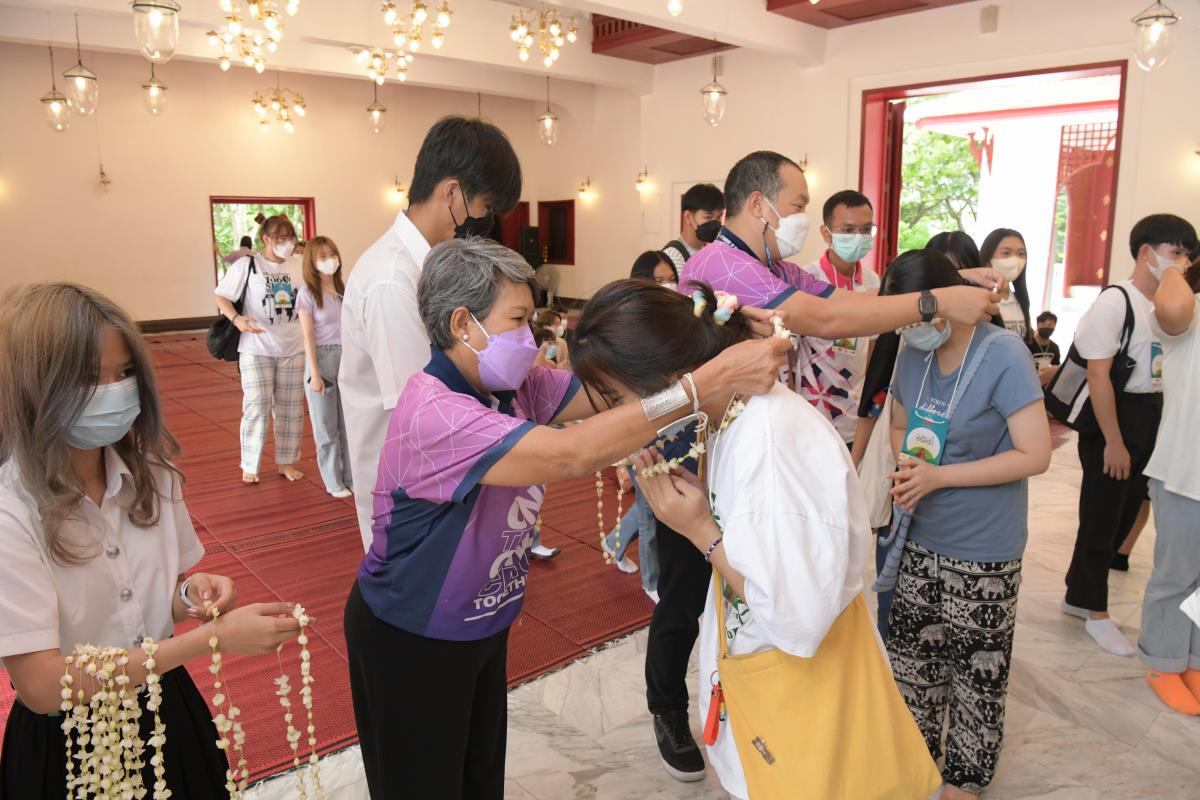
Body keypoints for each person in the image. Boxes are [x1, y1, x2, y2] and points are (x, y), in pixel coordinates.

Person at [343, 238, 788, 800]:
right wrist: (704, 385)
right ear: (461, 323)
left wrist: (710, 333)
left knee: (478, 781)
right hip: (411, 634)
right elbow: (574, 453)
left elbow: (609, 391)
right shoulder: (435, 412)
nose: (531, 340)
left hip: (478, 624)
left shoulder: (513, 388)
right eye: (517, 321)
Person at [656, 150, 1003, 781]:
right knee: (690, 585)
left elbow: (851, 299)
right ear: (758, 204)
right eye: (796, 206)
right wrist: (937, 302)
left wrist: (948, 281)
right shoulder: (720, 263)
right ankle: (671, 710)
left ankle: (743, 700)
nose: (801, 218)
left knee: (741, 580)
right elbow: (825, 317)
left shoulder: (771, 264)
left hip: (745, 426)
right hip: (701, 438)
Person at [571, 279, 942, 800]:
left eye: (618, 399)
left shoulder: (767, 444)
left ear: (670, 378)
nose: (619, 417)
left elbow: (797, 617)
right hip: (765, 682)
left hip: (798, 701)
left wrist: (700, 531)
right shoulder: (735, 416)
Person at [0, 283, 302, 799]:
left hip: (164, 709)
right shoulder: (13, 510)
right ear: (33, 386)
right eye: (88, 378)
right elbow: (43, 684)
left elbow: (142, 606)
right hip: (70, 742)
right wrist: (210, 640)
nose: (114, 391)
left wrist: (188, 597)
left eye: (124, 373)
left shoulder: (152, 477)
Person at [882, 250, 1051, 799]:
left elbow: (1035, 454)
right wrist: (911, 464)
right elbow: (900, 423)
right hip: (920, 534)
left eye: (915, 314)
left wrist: (940, 477)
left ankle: (965, 781)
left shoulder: (1002, 354)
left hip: (983, 546)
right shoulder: (913, 352)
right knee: (914, 667)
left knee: (977, 676)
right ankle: (916, 767)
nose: (908, 328)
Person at [340, 116, 523, 551]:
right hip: (410, 490)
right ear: (452, 193)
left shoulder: (434, 265)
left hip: (443, 471)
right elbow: (425, 409)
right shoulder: (392, 279)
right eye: (485, 207)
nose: (485, 220)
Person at [1062, 214, 1197, 656]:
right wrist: (1114, 442)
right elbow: (1098, 377)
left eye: (1188, 255)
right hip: (1114, 416)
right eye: (1176, 252)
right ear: (1147, 252)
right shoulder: (1116, 301)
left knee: (1125, 515)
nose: (1182, 262)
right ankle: (1095, 612)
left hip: (1150, 414)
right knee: (1101, 518)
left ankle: (1078, 595)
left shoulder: (1173, 305)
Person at [1138, 252, 1200, 714]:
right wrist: (1175, 267)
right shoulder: (1188, 312)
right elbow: (1174, 306)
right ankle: (1162, 661)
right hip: (1184, 473)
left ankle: (1193, 658)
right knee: (1175, 576)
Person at [214, 213, 306, 485]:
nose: (288, 243)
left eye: (291, 238)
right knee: (257, 405)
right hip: (256, 347)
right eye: (281, 238)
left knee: (291, 408)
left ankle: (286, 462)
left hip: (293, 346)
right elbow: (221, 295)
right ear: (266, 239)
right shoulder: (248, 264)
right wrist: (237, 319)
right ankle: (250, 464)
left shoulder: (299, 264)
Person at [797, 189, 882, 450]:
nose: (858, 237)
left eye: (866, 229)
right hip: (811, 407)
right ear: (826, 233)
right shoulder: (807, 280)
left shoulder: (873, 282)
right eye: (848, 230)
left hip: (854, 410)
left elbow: (872, 347)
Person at [296, 235, 353, 499]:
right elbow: (308, 336)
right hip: (321, 358)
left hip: (346, 357)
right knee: (326, 426)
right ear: (312, 262)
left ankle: (352, 476)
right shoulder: (308, 293)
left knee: (349, 424)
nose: (330, 260)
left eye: (332, 254)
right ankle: (333, 481)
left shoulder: (342, 289)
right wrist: (314, 374)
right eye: (322, 257)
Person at [979, 228, 1033, 340]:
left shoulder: (1021, 300)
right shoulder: (978, 298)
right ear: (988, 259)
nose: (1015, 259)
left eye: (1021, 254)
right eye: (1006, 253)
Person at [661, 183, 724, 274]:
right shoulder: (673, 256)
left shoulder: (710, 252)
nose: (715, 223)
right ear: (688, 217)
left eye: (718, 217)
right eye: (708, 217)